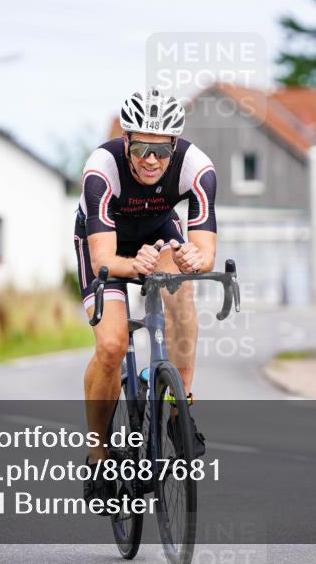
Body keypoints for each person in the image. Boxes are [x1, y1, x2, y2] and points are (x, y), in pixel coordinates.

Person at [76, 88, 217, 504]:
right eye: (140, 148)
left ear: (175, 145)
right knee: (112, 344)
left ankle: (179, 408)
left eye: (160, 150)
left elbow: (206, 251)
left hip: (158, 230)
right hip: (106, 241)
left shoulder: (198, 167)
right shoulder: (102, 169)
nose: (151, 160)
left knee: (181, 292)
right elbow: (104, 259)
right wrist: (132, 264)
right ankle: (99, 454)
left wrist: (193, 255)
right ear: (126, 142)